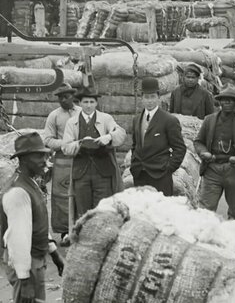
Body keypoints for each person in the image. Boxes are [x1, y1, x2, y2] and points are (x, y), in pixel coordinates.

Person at [0, 131, 66, 303]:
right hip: (25, 265)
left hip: (33, 259)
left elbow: (38, 227)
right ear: (24, 159)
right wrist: (25, 279)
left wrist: (54, 252)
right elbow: (17, 239)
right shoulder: (18, 193)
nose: (45, 160)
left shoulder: (32, 185)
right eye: (39, 156)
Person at [61, 87, 126, 220]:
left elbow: (120, 133)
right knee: (83, 213)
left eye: (92, 102)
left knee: (103, 211)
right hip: (81, 174)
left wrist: (109, 137)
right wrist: (79, 143)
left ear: (96, 103)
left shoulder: (106, 119)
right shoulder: (72, 123)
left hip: (103, 173)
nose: (89, 105)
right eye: (85, 102)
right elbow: (65, 147)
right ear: (79, 103)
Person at [194, 87, 235, 221]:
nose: (227, 103)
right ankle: (204, 237)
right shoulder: (209, 120)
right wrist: (204, 153)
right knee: (205, 210)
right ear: (220, 102)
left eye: (231, 101)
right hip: (212, 169)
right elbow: (198, 141)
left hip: (233, 170)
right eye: (224, 100)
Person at [130, 77, 186, 196]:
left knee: (160, 211)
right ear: (142, 98)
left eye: (152, 97)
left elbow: (180, 148)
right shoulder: (136, 120)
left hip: (160, 176)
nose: (149, 101)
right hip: (140, 175)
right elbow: (135, 145)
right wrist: (134, 164)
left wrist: (168, 169)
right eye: (146, 97)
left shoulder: (169, 120)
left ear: (158, 98)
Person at [41, 83, 80, 241]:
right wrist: (64, 144)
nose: (64, 100)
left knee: (80, 193)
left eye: (67, 96)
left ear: (73, 96)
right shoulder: (54, 116)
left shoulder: (82, 112)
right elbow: (48, 139)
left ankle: (80, 226)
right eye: (60, 98)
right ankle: (65, 231)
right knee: (62, 196)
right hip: (63, 161)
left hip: (81, 159)